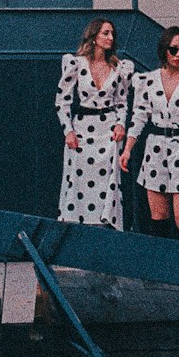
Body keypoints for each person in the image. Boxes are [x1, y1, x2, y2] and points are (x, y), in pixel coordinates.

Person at [119, 26, 179, 239]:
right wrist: (127, 149)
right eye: (174, 50)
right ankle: (161, 268)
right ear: (164, 50)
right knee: (159, 216)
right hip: (156, 148)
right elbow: (139, 116)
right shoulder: (148, 81)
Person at [55, 18, 134, 230]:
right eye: (105, 33)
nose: (110, 38)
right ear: (94, 36)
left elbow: (122, 102)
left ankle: (105, 232)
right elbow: (62, 100)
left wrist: (121, 124)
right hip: (82, 130)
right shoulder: (76, 63)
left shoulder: (119, 67)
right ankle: (75, 234)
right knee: (77, 182)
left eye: (112, 34)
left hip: (107, 132)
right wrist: (68, 131)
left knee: (108, 184)